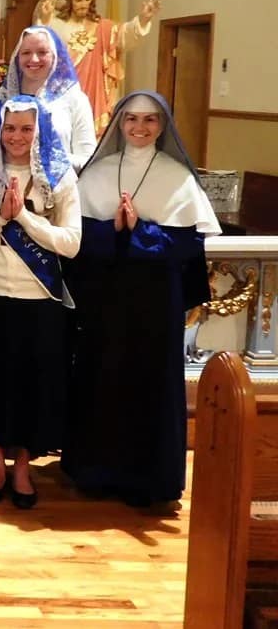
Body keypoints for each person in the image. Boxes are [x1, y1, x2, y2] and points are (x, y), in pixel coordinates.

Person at [62, 91, 219, 507]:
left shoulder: (178, 177)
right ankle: (94, 472)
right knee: (101, 376)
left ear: (163, 126)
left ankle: (150, 481)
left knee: (151, 382)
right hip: (107, 299)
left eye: (149, 121)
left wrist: (139, 231)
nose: (139, 128)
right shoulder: (98, 173)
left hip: (155, 302)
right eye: (131, 119)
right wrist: (113, 229)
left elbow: (188, 243)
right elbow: (78, 236)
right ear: (118, 123)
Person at [0, 96, 81, 509]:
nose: (17, 137)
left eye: (27, 129)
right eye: (10, 128)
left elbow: (71, 244)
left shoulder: (59, 178)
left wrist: (24, 218)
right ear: (0, 131)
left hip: (38, 299)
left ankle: (23, 468)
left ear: (39, 131)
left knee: (33, 388)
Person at [38, 0, 160, 136]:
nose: (83, 4)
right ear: (70, 1)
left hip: (96, 93)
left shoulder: (102, 27)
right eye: (79, 0)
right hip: (65, 89)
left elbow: (123, 36)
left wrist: (143, 19)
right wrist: (45, 20)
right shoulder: (58, 25)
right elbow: (41, 43)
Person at [0, 25, 96, 165]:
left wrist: (45, 157)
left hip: (59, 185)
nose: (34, 59)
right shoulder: (1, 101)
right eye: (26, 53)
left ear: (55, 56)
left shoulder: (75, 100)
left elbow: (87, 161)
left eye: (42, 52)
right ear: (17, 57)